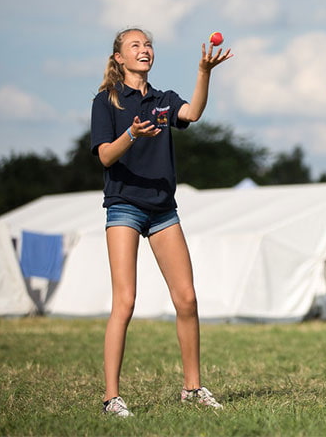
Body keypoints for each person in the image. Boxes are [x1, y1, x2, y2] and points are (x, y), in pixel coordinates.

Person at [91, 28, 231, 417]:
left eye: (148, 45)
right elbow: (104, 157)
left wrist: (205, 72)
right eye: (135, 45)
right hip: (124, 206)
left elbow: (193, 113)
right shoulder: (106, 102)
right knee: (125, 301)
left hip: (163, 210)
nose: (144, 50)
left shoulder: (162, 100)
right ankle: (111, 398)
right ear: (119, 57)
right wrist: (132, 134)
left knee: (186, 298)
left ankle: (192, 388)